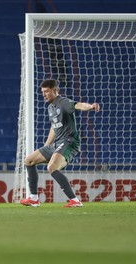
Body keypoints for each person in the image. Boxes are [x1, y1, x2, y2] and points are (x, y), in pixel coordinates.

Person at [20, 79, 100, 208]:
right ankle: (34, 198)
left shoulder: (63, 102)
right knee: (29, 160)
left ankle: (75, 200)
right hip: (57, 143)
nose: (44, 94)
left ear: (55, 90)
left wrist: (90, 106)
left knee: (52, 168)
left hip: (69, 142)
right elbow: (54, 127)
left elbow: (78, 105)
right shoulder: (50, 107)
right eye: (42, 92)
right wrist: (46, 145)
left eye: (46, 91)